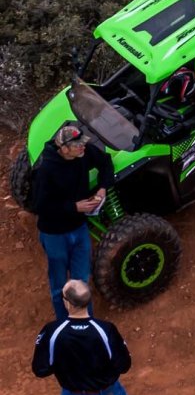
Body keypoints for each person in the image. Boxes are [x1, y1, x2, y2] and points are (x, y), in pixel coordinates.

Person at [31, 125, 114, 320]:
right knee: (60, 285)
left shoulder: (83, 153)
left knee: (81, 281)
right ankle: (64, 324)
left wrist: (102, 188)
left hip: (79, 228)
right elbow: (40, 206)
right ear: (64, 148)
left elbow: (105, 163)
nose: (83, 147)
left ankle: (85, 321)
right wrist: (73, 207)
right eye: (77, 146)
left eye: (83, 143)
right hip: (55, 234)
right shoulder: (45, 169)